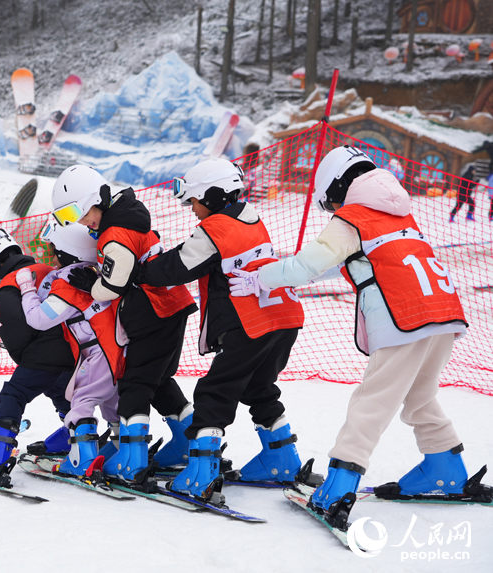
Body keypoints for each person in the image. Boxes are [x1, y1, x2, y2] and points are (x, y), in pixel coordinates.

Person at [230, 145, 473, 529]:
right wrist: (291, 277)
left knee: (371, 402)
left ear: (338, 187)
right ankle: (446, 468)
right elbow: (355, 259)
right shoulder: (399, 212)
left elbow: (310, 262)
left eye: (329, 203)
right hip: (444, 313)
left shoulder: (353, 216)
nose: (330, 210)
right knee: (419, 396)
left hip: (404, 319)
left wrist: (261, 278)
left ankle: (339, 485)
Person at [133, 159, 309, 502]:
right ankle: (281, 459)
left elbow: (178, 265)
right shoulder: (251, 218)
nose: (193, 210)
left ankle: (200, 473)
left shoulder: (217, 227)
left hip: (250, 324)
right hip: (283, 319)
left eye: (195, 201)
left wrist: (140, 272)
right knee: (258, 386)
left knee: (215, 391)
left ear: (212, 196)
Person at [51, 165, 196, 490]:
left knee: (135, 382)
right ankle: (190, 442)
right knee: (157, 380)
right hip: (173, 306)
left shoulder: (114, 233)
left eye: (77, 210)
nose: (79, 220)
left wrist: (93, 285)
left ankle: (133, 460)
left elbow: (115, 283)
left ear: (96, 198)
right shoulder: (128, 217)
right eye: (68, 215)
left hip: (155, 311)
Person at [0, 228, 74, 485]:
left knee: (14, 393)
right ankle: (74, 436)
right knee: (59, 388)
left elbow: (18, 330)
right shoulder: (44, 269)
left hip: (46, 351)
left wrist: (21, 353)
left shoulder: (8, 286)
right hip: (74, 346)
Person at [17, 220, 124, 477]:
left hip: (99, 356)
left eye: (54, 252)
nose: (51, 258)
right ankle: (123, 449)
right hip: (120, 352)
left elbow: (38, 319)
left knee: (82, 401)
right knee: (113, 404)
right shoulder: (96, 276)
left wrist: (26, 288)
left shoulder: (68, 283)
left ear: (68, 252)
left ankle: (83, 459)